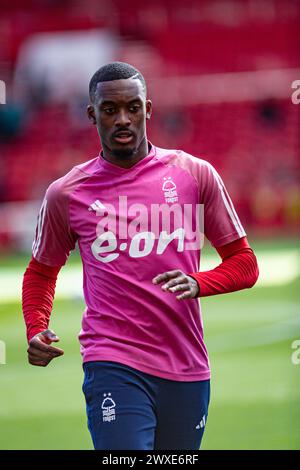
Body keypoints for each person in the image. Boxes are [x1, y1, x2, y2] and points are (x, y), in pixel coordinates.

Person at [22, 62, 259, 450]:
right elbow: (41, 272)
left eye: (132, 108)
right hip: (112, 360)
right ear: (90, 114)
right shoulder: (66, 194)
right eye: (109, 110)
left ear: (148, 109)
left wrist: (198, 282)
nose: (122, 119)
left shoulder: (194, 175)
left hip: (187, 364)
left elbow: (245, 264)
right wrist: (36, 325)